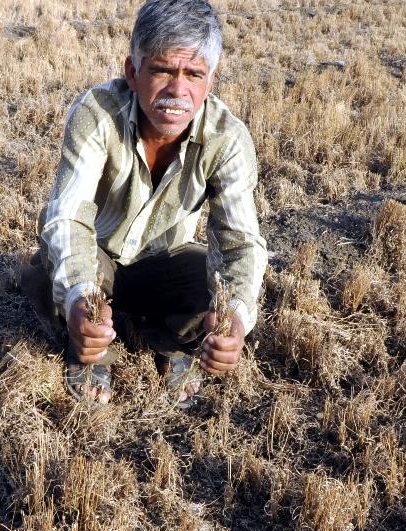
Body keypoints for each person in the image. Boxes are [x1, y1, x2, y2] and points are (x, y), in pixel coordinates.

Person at [21, 0, 267, 408]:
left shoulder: (229, 139)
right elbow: (67, 219)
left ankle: (169, 343)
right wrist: (81, 297)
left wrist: (235, 320)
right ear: (133, 72)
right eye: (162, 70)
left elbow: (241, 242)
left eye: (193, 75)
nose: (177, 91)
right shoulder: (96, 113)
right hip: (99, 258)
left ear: (210, 82)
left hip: (163, 261)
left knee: (214, 290)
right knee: (57, 273)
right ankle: (95, 348)